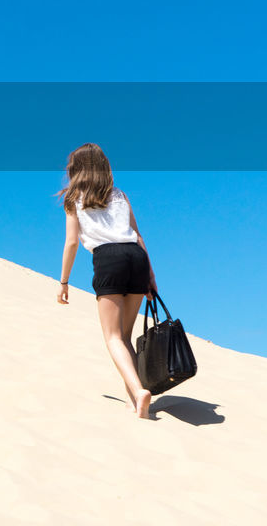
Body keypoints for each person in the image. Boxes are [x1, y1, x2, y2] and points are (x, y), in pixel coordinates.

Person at [56, 143, 157, 419]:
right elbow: (138, 236)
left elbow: (72, 242)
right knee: (125, 336)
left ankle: (138, 392)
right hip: (136, 258)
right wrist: (151, 276)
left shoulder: (73, 198)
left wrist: (64, 282)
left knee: (112, 337)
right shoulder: (120, 195)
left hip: (108, 258)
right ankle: (133, 402)